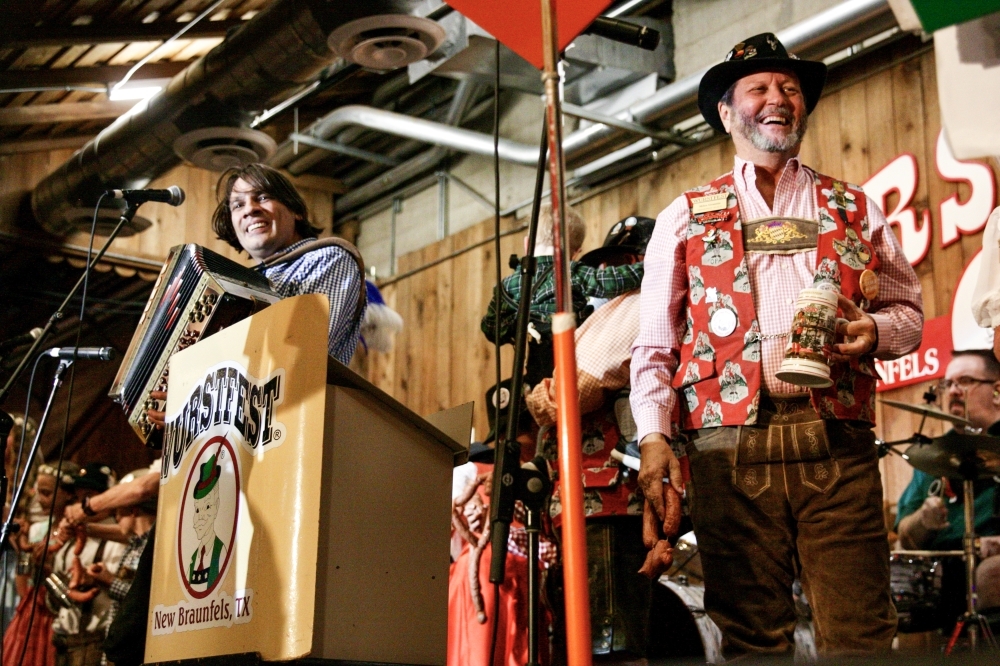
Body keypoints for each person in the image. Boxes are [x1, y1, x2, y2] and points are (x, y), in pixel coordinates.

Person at [630, 32, 923, 658]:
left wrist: (876, 331)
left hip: (837, 447)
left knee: (861, 636)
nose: (778, 99)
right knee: (750, 640)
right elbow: (654, 345)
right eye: (759, 88)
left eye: (790, 88)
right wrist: (654, 437)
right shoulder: (683, 216)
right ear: (727, 113)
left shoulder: (858, 207)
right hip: (724, 454)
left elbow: (909, 314)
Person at [481, 204, 644, 387]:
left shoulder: (506, 287)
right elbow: (616, 280)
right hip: (571, 368)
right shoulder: (573, 273)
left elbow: (490, 329)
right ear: (576, 252)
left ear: (527, 243)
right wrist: (653, 261)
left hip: (535, 376)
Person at [895, 350, 1000, 622]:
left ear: (997, 390)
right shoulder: (934, 454)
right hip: (943, 569)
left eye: (964, 381)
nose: (953, 391)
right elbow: (905, 536)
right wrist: (923, 521)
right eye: (948, 384)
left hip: (988, 567)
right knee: (897, 581)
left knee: (991, 575)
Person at [3, 463, 78, 666]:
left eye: (46, 493)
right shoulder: (38, 530)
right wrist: (21, 549)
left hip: (57, 616)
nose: (39, 499)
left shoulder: (76, 533)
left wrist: (46, 569)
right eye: (38, 492)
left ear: (69, 494)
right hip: (31, 611)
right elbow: (23, 585)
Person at [49, 464, 123, 666]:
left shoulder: (118, 541)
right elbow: (53, 597)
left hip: (95, 643)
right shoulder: (69, 540)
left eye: (88, 497)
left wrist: (96, 580)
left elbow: (128, 593)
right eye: (78, 497)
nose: (81, 505)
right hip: (64, 641)